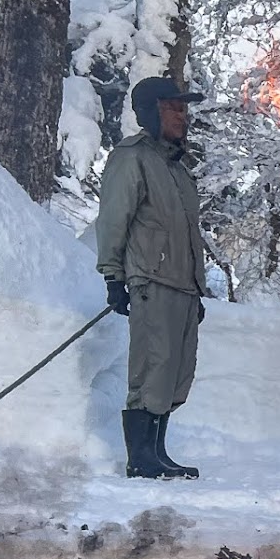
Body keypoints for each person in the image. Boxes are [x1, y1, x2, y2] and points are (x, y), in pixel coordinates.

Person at [96, 76, 209, 480]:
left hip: (183, 285)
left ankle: (158, 453)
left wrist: (197, 290)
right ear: (149, 112)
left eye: (183, 108)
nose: (182, 116)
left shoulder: (177, 166)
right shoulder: (133, 157)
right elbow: (113, 219)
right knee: (152, 369)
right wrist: (113, 276)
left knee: (178, 375)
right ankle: (141, 458)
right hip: (151, 280)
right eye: (172, 108)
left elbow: (188, 233)